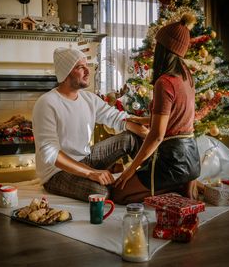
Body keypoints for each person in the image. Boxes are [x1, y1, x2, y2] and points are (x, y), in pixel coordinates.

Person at [32, 47, 148, 202]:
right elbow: (50, 153)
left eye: (87, 66)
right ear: (66, 72)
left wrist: (144, 129)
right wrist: (91, 173)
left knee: (130, 138)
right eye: (81, 67)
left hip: (85, 158)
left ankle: (156, 179)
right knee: (101, 193)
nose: (88, 71)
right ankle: (128, 189)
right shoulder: (47, 103)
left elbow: (115, 117)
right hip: (56, 173)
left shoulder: (89, 99)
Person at [112, 13, 200, 204]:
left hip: (173, 161)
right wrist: (142, 120)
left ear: (163, 48)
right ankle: (179, 185)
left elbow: (157, 136)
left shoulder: (165, 82)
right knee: (128, 187)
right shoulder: (186, 75)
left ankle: (174, 188)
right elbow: (177, 118)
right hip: (191, 157)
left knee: (118, 193)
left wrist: (131, 168)